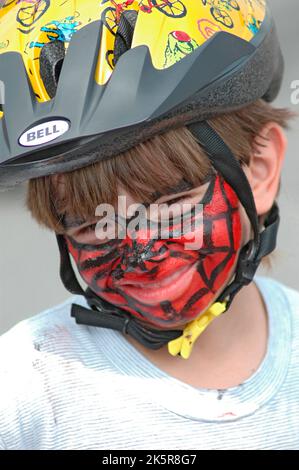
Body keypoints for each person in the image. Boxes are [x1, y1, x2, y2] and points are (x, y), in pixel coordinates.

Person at [0, 0, 298, 450]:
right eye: (92, 223)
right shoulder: (23, 393)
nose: (143, 249)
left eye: (175, 203)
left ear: (259, 168)